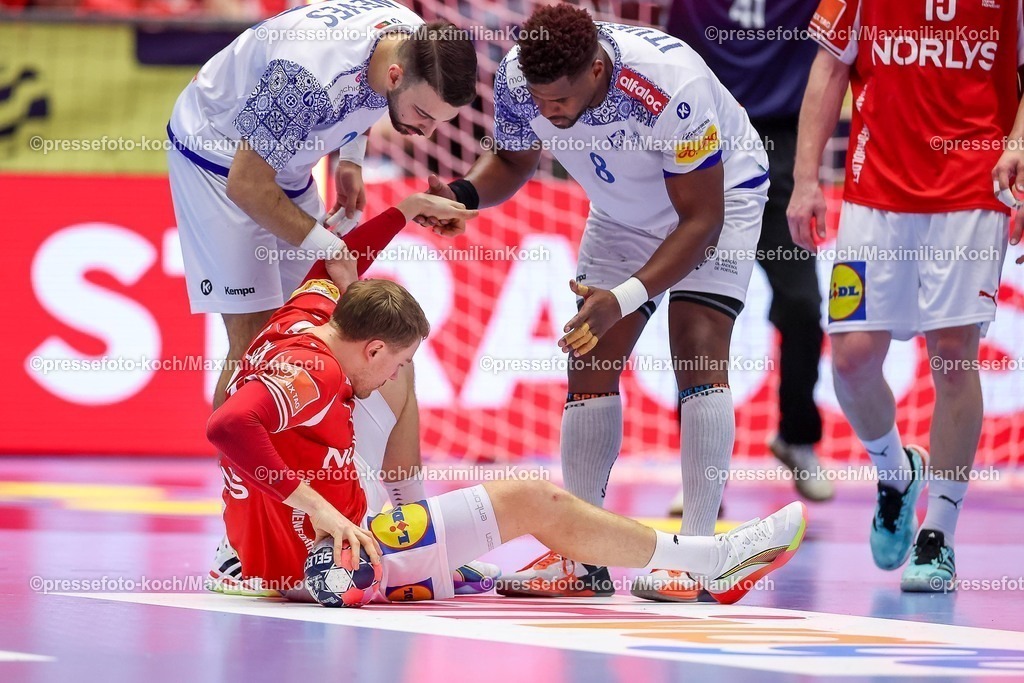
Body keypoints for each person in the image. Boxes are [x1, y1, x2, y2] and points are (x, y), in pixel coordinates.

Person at [206, 196, 808, 606]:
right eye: (396, 353)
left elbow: (340, 256)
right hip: (335, 556)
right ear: (369, 346)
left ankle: (424, 547)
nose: (400, 366)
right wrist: (323, 509)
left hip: (279, 538)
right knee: (529, 497)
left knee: (393, 386)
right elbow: (227, 425)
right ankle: (706, 559)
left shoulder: (310, 311)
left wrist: (406, 210)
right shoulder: (310, 373)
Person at [425, 4, 770, 602]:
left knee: (697, 345)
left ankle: (694, 556)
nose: (549, 111)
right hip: (620, 213)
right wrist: (462, 195)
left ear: (595, 69)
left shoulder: (668, 83)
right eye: (540, 99)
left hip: (716, 199)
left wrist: (627, 296)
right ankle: (579, 557)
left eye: (559, 99)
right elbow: (512, 159)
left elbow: (700, 221)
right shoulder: (516, 77)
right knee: (588, 358)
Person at [788, 0, 1022, 591]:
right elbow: (829, 68)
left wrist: (1020, 144)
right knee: (850, 357)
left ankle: (938, 531)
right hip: (874, 192)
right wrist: (807, 179)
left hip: (973, 188)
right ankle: (896, 474)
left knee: (951, 354)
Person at [166, 0, 478, 409]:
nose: (426, 132)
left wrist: (349, 160)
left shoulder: (412, 37)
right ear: (396, 74)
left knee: (319, 320)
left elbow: (367, 88)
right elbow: (247, 185)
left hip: (284, 159)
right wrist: (331, 247)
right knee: (256, 341)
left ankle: (301, 462)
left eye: (440, 120)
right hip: (218, 158)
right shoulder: (305, 76)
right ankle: (244, 473)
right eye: (422, 114)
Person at [664, 0, 833, 505]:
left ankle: (797, 438)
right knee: (698, 320)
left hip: (780, 154)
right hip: (705, 154)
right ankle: (699, 473)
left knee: (803, 308)